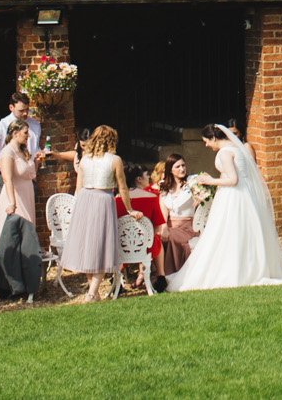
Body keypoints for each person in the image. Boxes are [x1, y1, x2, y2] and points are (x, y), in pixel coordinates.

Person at [166, 123, 282, 291]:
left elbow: (233, 180)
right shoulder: (238, 149)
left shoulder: (224, 153)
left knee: (227, 231)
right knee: (244, 231)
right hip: (245, 196)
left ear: (213, 138)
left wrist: (210, 181)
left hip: (233, 196)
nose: (206, 145)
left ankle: (234, 271)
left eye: (206, 141)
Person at [60, 125, 125, 303]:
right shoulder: (114, 160)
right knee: (101, 247)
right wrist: (130, 208)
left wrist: (77, 209)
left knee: (89, 247)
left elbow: (78, 188)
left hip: (84, 200)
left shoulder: (84, 160)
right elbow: (123, 188)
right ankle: (91, 294)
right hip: (102, 199)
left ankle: (93, 292)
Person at [0, 119, 43, 302]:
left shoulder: (24, 151)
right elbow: (7, 179)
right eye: (25, 132)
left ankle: (26, 281)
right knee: (12, 238)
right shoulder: (7, 152)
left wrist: (38, 161)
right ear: (15, 133)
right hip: (14, 197)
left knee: (26, 239)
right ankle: (9, 283)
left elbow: (32, 175)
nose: (28, 135)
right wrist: (12, 202)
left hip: (27, 194)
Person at [115, 164, 166, 292]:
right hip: (145, 246)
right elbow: (157, 227)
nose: (148, 178)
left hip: (123, 245)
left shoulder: (116, 199)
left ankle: (116, 277)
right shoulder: (152, 198)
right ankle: (161, 276)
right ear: (138, 179)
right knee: (156, 238)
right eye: (146, 175)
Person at [156, 155, 200, 274]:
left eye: (183, 165)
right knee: (158, 235)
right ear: (170, 169)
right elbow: (163, 210)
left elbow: (208, 186)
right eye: (178, 166)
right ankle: (157, 273)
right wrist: (164, 226)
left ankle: (170, 273)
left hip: (188, 227)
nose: (182, 169)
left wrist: (201, 197)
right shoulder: (164, 186)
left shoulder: (192, 182)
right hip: (171, 225)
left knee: (172, 236)